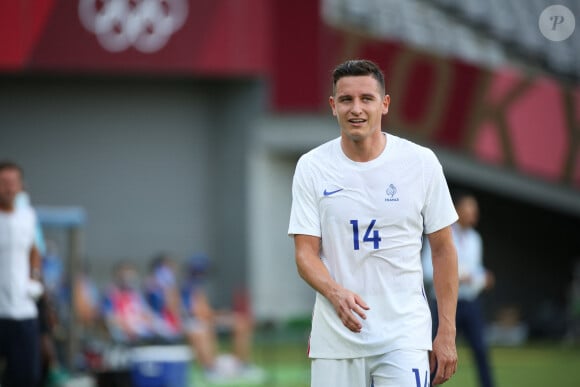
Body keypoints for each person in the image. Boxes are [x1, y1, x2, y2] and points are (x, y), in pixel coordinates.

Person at [288, 59, 459, 387]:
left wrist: (446, 332)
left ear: (385, 104)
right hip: (336, 341)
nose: (356, 109)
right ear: (332, 106)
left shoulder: (421, 163)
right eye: (346, 100)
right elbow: (305, 254)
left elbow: (443, 250)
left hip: (404, 336)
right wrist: (336, 293)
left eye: (366, 98)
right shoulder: (311, 167)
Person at [422, 191, 495, 387]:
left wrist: (483, 277)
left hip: (470, 303)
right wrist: (457, 277)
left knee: (480, 349)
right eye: (469, 208)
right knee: (433, 353)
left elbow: (475, 269)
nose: (474, 213)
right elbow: (428, 270)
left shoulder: (475, 239)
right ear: (456, 209)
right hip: (443, 305)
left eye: (475, 209)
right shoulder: (441, 233)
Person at [181, 253, 265, 383]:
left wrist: (219, 315)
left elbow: (205, 312)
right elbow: (198, 313)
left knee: (241, 323)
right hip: (193, 322)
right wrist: (218, 316)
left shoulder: (197, 286)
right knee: (200, 329)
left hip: (206, 319)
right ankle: (210, 369)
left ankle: (242, 364)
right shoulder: (189, 287)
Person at [0, 161, 44, 386]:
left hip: (23, 311)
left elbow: (34, 249)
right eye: (3, 183)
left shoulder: (28, 216)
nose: (8, 189)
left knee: (26, 377)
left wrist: (34, 277)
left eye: (12, 183)